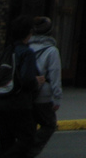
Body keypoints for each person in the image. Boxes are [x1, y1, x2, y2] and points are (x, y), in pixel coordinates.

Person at [0, 15, 45, 158]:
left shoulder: (7, 50)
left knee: (5, 141)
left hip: (0, 102)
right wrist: (37, 82)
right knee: (27, 140)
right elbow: (27, 80)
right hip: (19, 104)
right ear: (28, 33)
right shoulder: (26, 53)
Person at [27, 17, 62, 157]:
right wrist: (57, 97)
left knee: (30, 125)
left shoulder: (26, 47)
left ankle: (23, 148)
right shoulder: (51, 51)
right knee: (49, 124)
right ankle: (29, 151)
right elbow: (55, 76)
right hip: (43, 95)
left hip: (26, 92)